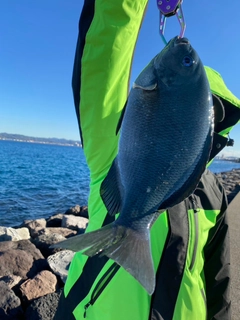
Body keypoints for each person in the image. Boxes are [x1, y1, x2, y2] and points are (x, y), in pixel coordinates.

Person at [54, 0, 240, 319]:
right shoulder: (112, 146)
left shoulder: (214, 194)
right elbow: (103, 53)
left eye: (211, 121)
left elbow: (218, 277)